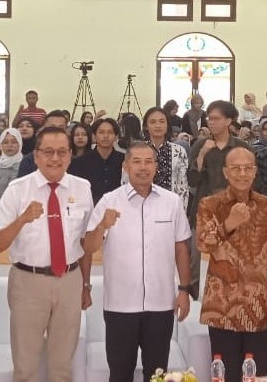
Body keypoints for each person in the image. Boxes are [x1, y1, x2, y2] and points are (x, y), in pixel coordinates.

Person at [0, 126, 94, 382]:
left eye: (61, 152)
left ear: (70, 155)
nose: (54, 158)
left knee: (62, 367)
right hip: (28, 282)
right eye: (48, 152)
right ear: (35, 156)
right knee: (26, 367)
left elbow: (84, 243)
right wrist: (22, 219)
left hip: (70, 281)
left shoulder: (82, 188)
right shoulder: (18, 189)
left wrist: (86, 285)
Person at [82, 142, 192, 382]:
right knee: (120, 372)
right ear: (125, 166)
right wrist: (102, 225)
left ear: (155, 166)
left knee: (158, 373)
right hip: (120, 306)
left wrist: (184, 290)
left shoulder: (171, 201)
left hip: (161, 304)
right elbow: (88, 248)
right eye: (136, 161)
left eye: (148, 162)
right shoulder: (109, 201)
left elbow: (181, 247)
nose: (143, 167)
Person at [197, 147, 267, 381]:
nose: (242, 173)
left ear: (255, 172)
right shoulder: (210, 204)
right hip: (222, 308)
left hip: (260, 307)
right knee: (223, 376)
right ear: (226, 173)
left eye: (247, 168)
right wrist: (228, 223)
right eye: (236, 168)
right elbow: (203, 244)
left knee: (258, 375)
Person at [187, 100, 251, 298]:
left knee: (233, 261)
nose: (211, 122)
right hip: (203, 211)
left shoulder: (241, 147)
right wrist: (202, 156)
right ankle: (196, 302)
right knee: (196, 263)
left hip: (234, 213)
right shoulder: (200, 145)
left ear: (229, 121)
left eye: (216, 119)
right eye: (209, 118)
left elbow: (250, 180)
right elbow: (192, 181)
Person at [69, 117, 126, 203]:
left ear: (116, 137)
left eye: (110, 132)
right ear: (94, 136)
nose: (105, 136)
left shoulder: (125, 160)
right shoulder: (78, 163)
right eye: (101, 132)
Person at [143, 107, 189, 205]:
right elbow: (127, 182)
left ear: (167, 125)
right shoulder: (137, 150)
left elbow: (183, 186)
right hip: (141, 207)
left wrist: (180, 212)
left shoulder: (179, 151)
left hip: (170, 207)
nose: (158, 125)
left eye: (162, 121)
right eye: (153, 122)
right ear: (146, 126)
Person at [18, 111, 69, 177]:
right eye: (51, 127)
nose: (56, 131)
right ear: (43, 129)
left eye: (60, 128)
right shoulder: (29, 161)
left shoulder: (74, 161)